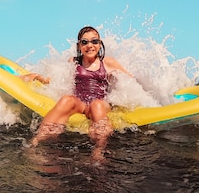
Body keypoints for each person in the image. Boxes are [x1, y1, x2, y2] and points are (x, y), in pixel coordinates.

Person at [28, 26, 131, 155]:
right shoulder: (74, 61)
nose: (90, 45)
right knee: (67, 99)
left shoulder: (108, 62)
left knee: (96, 104)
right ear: (79, 46)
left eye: (94, 41)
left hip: (100, 103)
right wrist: (38, 77)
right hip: (80, 104)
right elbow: (57, 80)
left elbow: (130, 81)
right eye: (84, 42)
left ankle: (99, 151)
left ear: (100, 44)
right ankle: (36, 142)